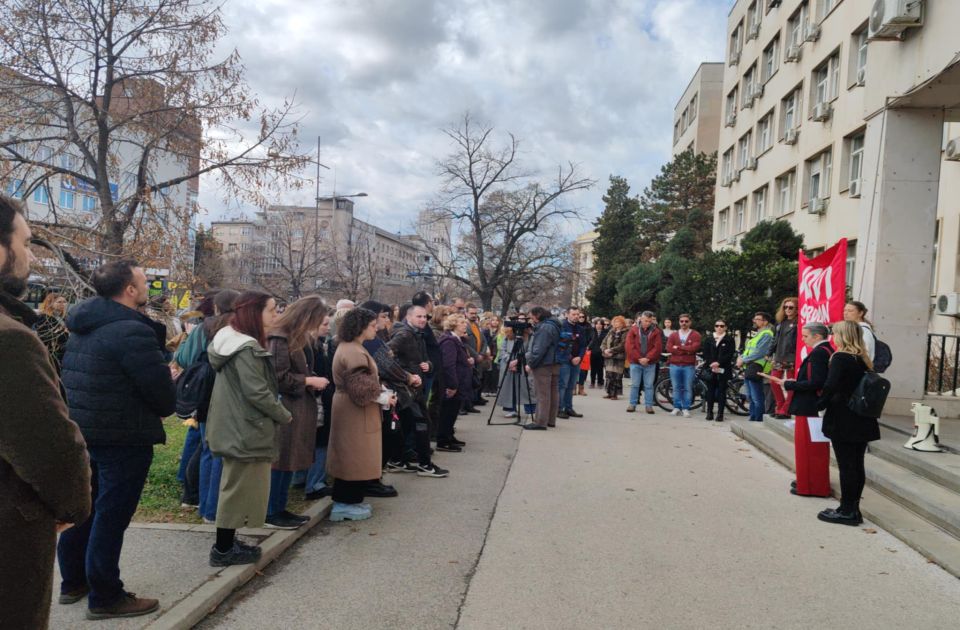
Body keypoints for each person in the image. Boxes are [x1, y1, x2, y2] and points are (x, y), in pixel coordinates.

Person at [58, 260, 176, 619]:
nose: (147, 286)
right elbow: (162, 398)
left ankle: (74, 581)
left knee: (89, 507)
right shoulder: (131, 330)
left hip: (88, 431)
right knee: (111, 515)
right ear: (129, 289)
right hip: (124, 436)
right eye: (143, 281)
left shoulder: (83, 324)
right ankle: (106, 595)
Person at [0, 195, 91, 630]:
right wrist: (70, 505)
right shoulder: (9, 340)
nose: (30, 255)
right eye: (26, 242)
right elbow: (51, 449)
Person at [205, 291, 292, 564]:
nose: (276, 315)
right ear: (255, 313)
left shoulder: (233, 342)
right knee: (235, 489)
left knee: (237, 487)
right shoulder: (245, 348)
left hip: (236, 425)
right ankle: (222, 549)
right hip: (243, 427)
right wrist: (283, 415)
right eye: (272, 310)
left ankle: (228, 542)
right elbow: (257, 393)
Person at [265, 296, 330, 529]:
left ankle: (279, 507)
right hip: (286, 406)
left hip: (298, 405)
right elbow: (277, 376)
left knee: (289, 457)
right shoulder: (280, 337)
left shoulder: (296, 336)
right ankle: (272, 511)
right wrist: (308, 380)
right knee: (281, 457)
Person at [328, 308, 396, 521]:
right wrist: (384, 397)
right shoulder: (353, 351)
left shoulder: (352, 347)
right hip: (354, 411)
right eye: (372, 325)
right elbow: (360, 385)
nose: (376, 328)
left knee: (353, 455)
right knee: (353, 455)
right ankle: (344, 503)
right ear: (360, 327)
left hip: (353, 408)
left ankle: (349, 500)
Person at [815, 321, 880, 525]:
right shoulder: (862, 359)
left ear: (842, 336)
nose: (832, 337)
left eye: (834, 333)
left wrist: (819, 404)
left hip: (843, 418)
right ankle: (853, 509)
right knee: (856, 465)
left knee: (846, 466)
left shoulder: (841, 357)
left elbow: (830, 385)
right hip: (862, 418)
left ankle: (847, 510)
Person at [770, 322, 833, 498]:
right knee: (813, 449)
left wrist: (790, 384)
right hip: (813, 406)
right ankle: (809, 482)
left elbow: (816, 382)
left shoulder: (820, 353)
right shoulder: (826, 350)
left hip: (810, 406)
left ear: (817, 336)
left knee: (809, 449)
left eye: (805, 336)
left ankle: (810, 486)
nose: (803, 340)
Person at [195, 290, 240, 524]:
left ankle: (204, 506)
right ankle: (213, 509)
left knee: (206, 451)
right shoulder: (234, 330)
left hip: (204, 393)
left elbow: (186, 358)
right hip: (222, 395)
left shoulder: (203, 328)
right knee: (219, 454)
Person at [389, 303, 449, 475]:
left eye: (425, 317)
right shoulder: (404, 334)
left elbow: (425, 359)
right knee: (422, 423)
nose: (423, 319)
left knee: (407, 426)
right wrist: (405, 375)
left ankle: (397, 460)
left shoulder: (418, 334)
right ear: (408, 318)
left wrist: (428, 366)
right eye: (419, 316)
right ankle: (424, 464)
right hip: (406, 389)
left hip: (415, 388)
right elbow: (385, 356)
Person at [303, 309, 336, 500]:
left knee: (315, 441)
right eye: (324, 324)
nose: (327, 327)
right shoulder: (310, 346)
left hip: (321, 397)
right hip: (317, 398)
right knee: (319, 441)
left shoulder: (317, 344)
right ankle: (314, 483)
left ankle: (306, 479)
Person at [519, 306, 561, 430]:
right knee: (553, 392)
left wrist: (531, 363)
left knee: (542, 394)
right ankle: (550, 420)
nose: (532, 321)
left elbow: (539, 349)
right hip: (555, 362)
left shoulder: (544, 327)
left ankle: (540, 422)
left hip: (544, 364)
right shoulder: (555, 324)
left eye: (532, 318)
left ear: (538, 315)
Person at [438, 314, 474, 452]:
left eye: (465, 322)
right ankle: (443, 440)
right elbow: (449, 365)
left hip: (459, 381)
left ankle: (449, 436)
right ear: (453, 325)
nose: (465, 325)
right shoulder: (449, 341)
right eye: (461, 322)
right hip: (453, 382)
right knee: (448, 412)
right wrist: (452, 385)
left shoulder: (457, 339)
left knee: (453, 412)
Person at [737, 312, 775, 422]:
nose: (755, 321)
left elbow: (760, 352)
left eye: (758, 319)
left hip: (757, 366)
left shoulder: (767, 334)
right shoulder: (758, 334)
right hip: (750, 366)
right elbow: (749, 350)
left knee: (756, 396)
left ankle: (758, 419)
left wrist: (743, 359)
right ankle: (752, 417)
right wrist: (741, 358)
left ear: (765, 322)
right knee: (750, 396)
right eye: (755, 318)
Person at [496, 314, 534, 418]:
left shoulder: (530, 335)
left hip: (522, 363)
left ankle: (530, 410)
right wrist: (509, 361)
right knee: (509, 387)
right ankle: (511, 409)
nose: (520, 322)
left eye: (523, 319)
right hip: (508, 364)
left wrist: (518, 361)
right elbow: (502, 349)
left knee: (526, 387)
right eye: (519, 319)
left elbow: (530, 351)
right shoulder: (508, 335)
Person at [625, 311, 663, 414]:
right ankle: (632, 404)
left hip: (650, 363)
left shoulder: (656, 331)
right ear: (640, 319)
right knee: (635, 384)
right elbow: (629, 346)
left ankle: (649, 406)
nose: (647, 323)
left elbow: (657, 347)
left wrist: (647, 358)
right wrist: (639, 359)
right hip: (635, 362)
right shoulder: (633, 330)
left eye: (649, 321)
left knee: (649, 385)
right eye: (646, 320)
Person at [665, 314, 701, 417]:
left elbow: (694, 348)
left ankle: (686, 408)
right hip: (675, 364)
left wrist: (678, 348)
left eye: (686, 321)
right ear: (679, 322)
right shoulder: (673, 335)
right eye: (682, 321)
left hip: (688, 365)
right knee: (676, 387)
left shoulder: (695, 335)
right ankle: (676, 407)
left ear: (690, 322)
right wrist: (686, 349)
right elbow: (669, 348)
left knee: (687, 387)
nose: (684, 323)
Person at [700, 319, 736, 422]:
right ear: (714, 327)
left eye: (721, 326)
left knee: (721, 392)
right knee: (710, 391)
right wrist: (712, 363)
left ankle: (720, 414)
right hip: (710, 368)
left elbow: (730, 354)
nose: (719, 328)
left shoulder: (729, 339)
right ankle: (709, 412)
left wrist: (719, 363)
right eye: (717, 325)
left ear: (725, 327)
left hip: (723, 369)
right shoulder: (709, 339)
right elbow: (705, 353)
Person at [556, 306, 587, 419]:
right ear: (567, 314)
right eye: (573, 314)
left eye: (577, 315)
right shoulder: (561, 326)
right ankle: (560, 408)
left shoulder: (580, 328)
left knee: (571, 385)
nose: (576, 317)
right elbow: (560, 344)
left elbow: (583, 345)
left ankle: (569, 408)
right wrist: (571, 357)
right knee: (562, 384)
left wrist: (579, 357)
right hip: (564, 360)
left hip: (576, 361)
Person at [771, 297, 799, 419]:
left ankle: (786, 409)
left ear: (797, 309)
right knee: (774, 381)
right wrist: (769, 352)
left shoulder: (799, 323)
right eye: (785, 307)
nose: (787, 309)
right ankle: (780, 405)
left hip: (792, 357)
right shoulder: (781, 322)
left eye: (791, 307)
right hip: (779, 356)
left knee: (790, 383)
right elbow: (775, 340)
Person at [33, 291, 70, 371]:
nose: (62, 304)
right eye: (59, 302)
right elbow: (44, 336)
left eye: (64, 302)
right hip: (51, 353)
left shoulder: (65, 317)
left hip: (64, 353)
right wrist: (64, 333)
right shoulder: (44, 318)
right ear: (50, 303)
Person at [600, 316, 628, 401]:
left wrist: (611, 350)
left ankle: (615, 394)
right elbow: (604, 342)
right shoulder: (611, 331)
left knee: (617, 376)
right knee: (609, 375)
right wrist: (604, 350)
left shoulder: (625, 332)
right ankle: (609, 393)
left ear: (622, 323)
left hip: (618, 357)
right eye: (615, 322)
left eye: (618, 322)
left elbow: (623, 345)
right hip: (608, 356)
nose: (616, 324)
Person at [576, 311, 593, 396]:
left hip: (585, 350)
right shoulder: (575, 326)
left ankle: (581, 388)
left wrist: (588, 347)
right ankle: (573, 388)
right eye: (580, 317)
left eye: (583, 317)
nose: (581, 318)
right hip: (575, 350)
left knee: (582, 370)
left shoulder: (589, 326)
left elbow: (592, 338)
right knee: (574, 370)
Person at [588, 317, 608, 389]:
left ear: (602, 325)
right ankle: (592, 382)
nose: (598, 325)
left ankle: (600, 382)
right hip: (593, 352)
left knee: (600, 368)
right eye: (597, 324)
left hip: (601, 353)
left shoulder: (605, 332)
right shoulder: (592, 331)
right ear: (595, 325)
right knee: (593, 369)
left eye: (600, 324)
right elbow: (589, 341)